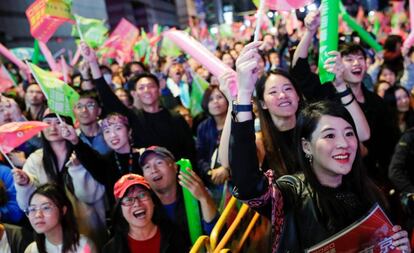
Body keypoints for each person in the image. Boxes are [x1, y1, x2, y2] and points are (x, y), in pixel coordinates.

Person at [229, 99, 411, 252]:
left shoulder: (367, 189)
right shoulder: (292, 191)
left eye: (349, 133)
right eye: (329, 135)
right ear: (307, 146)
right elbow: (247, 186)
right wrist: (243, 101)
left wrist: (398, 246)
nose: (343, 143)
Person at [292, 9, 397, 187]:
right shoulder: (325, 93)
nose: (357, 63)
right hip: (335, 180)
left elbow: (388, 143)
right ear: (337, 63)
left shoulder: (376, 102)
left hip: (372, 179)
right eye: (348, 59)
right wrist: (310, 31)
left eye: (360, 58)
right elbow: (298, 70)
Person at [79, 42, 197, 170]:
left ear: (159, 90)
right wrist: (93, 63)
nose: (146, 90)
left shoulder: (175, 118)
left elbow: (190, 151)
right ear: (135, 94)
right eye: (141, 88)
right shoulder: (133, 117)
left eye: (151, 86)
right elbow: (108, 97)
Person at [13, 110, 107, 248]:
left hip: (87, 225)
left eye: (58, 122)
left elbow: (91, 196)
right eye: (47, 123)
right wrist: (25, 184)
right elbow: (26, 205)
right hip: (52, 233)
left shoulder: (84, 152)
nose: (52, 127)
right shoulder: (35, 160)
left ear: (69, 126)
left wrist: (78, 169)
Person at [139, 146, 218, 248]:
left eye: (159, 163)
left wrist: (204, 198)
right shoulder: (144, 206)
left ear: (175, 167)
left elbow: (217, 235)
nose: (153, 170)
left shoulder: (194, 191)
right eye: (147, 167)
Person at [62, 113, 141, 207]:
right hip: (120, 217)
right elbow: (90, 159)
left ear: (129, 132)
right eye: (107, 131)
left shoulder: (144, 157)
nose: (112, 135)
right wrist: (74, 140)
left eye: (118, 128)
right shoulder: (107, 162)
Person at [102, 174, 186, 253]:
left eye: (142, 195)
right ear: (120, 210)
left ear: (153, 201)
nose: (137, 204)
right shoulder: (111, 249)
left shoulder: (175, 235)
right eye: (128, 200)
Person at [24, 184, 96, 253]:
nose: (38, 215)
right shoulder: (31, 250)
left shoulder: (84, 245)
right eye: (33, 209)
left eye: (46, 207)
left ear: (63, 210)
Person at [196, 85, 229, 192]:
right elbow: (200, 156)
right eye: (210, 99)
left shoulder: (237, 121)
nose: (215, 101)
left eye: (219, 97)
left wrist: (227, 169)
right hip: (213, 179)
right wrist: (210, 172)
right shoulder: (203, 127)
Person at [73, 90, 111, 155]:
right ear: (74, 112)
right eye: (79, 107)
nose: (84, 110)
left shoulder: (110, 134)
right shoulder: (72, 137)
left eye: (89, 105)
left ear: (99, 111)